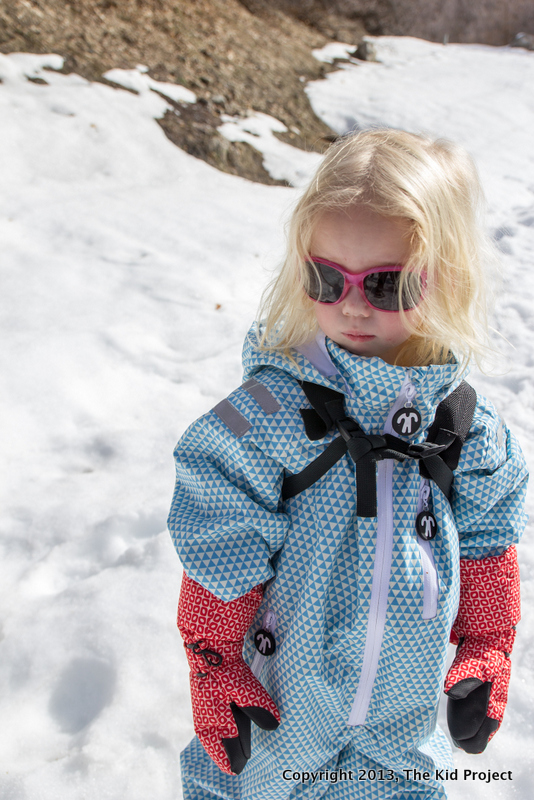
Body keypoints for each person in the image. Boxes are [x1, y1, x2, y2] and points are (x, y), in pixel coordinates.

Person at [168, 129, 528, 799]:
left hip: (399, 740)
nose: (353, 303)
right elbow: (221, 556)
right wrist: (216, 669)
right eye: (326, 279)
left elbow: (488, 549)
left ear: (444, 276)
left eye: (388, 284)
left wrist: (486, 647)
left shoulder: (463, 427)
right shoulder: (268, 415)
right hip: (280, 729)